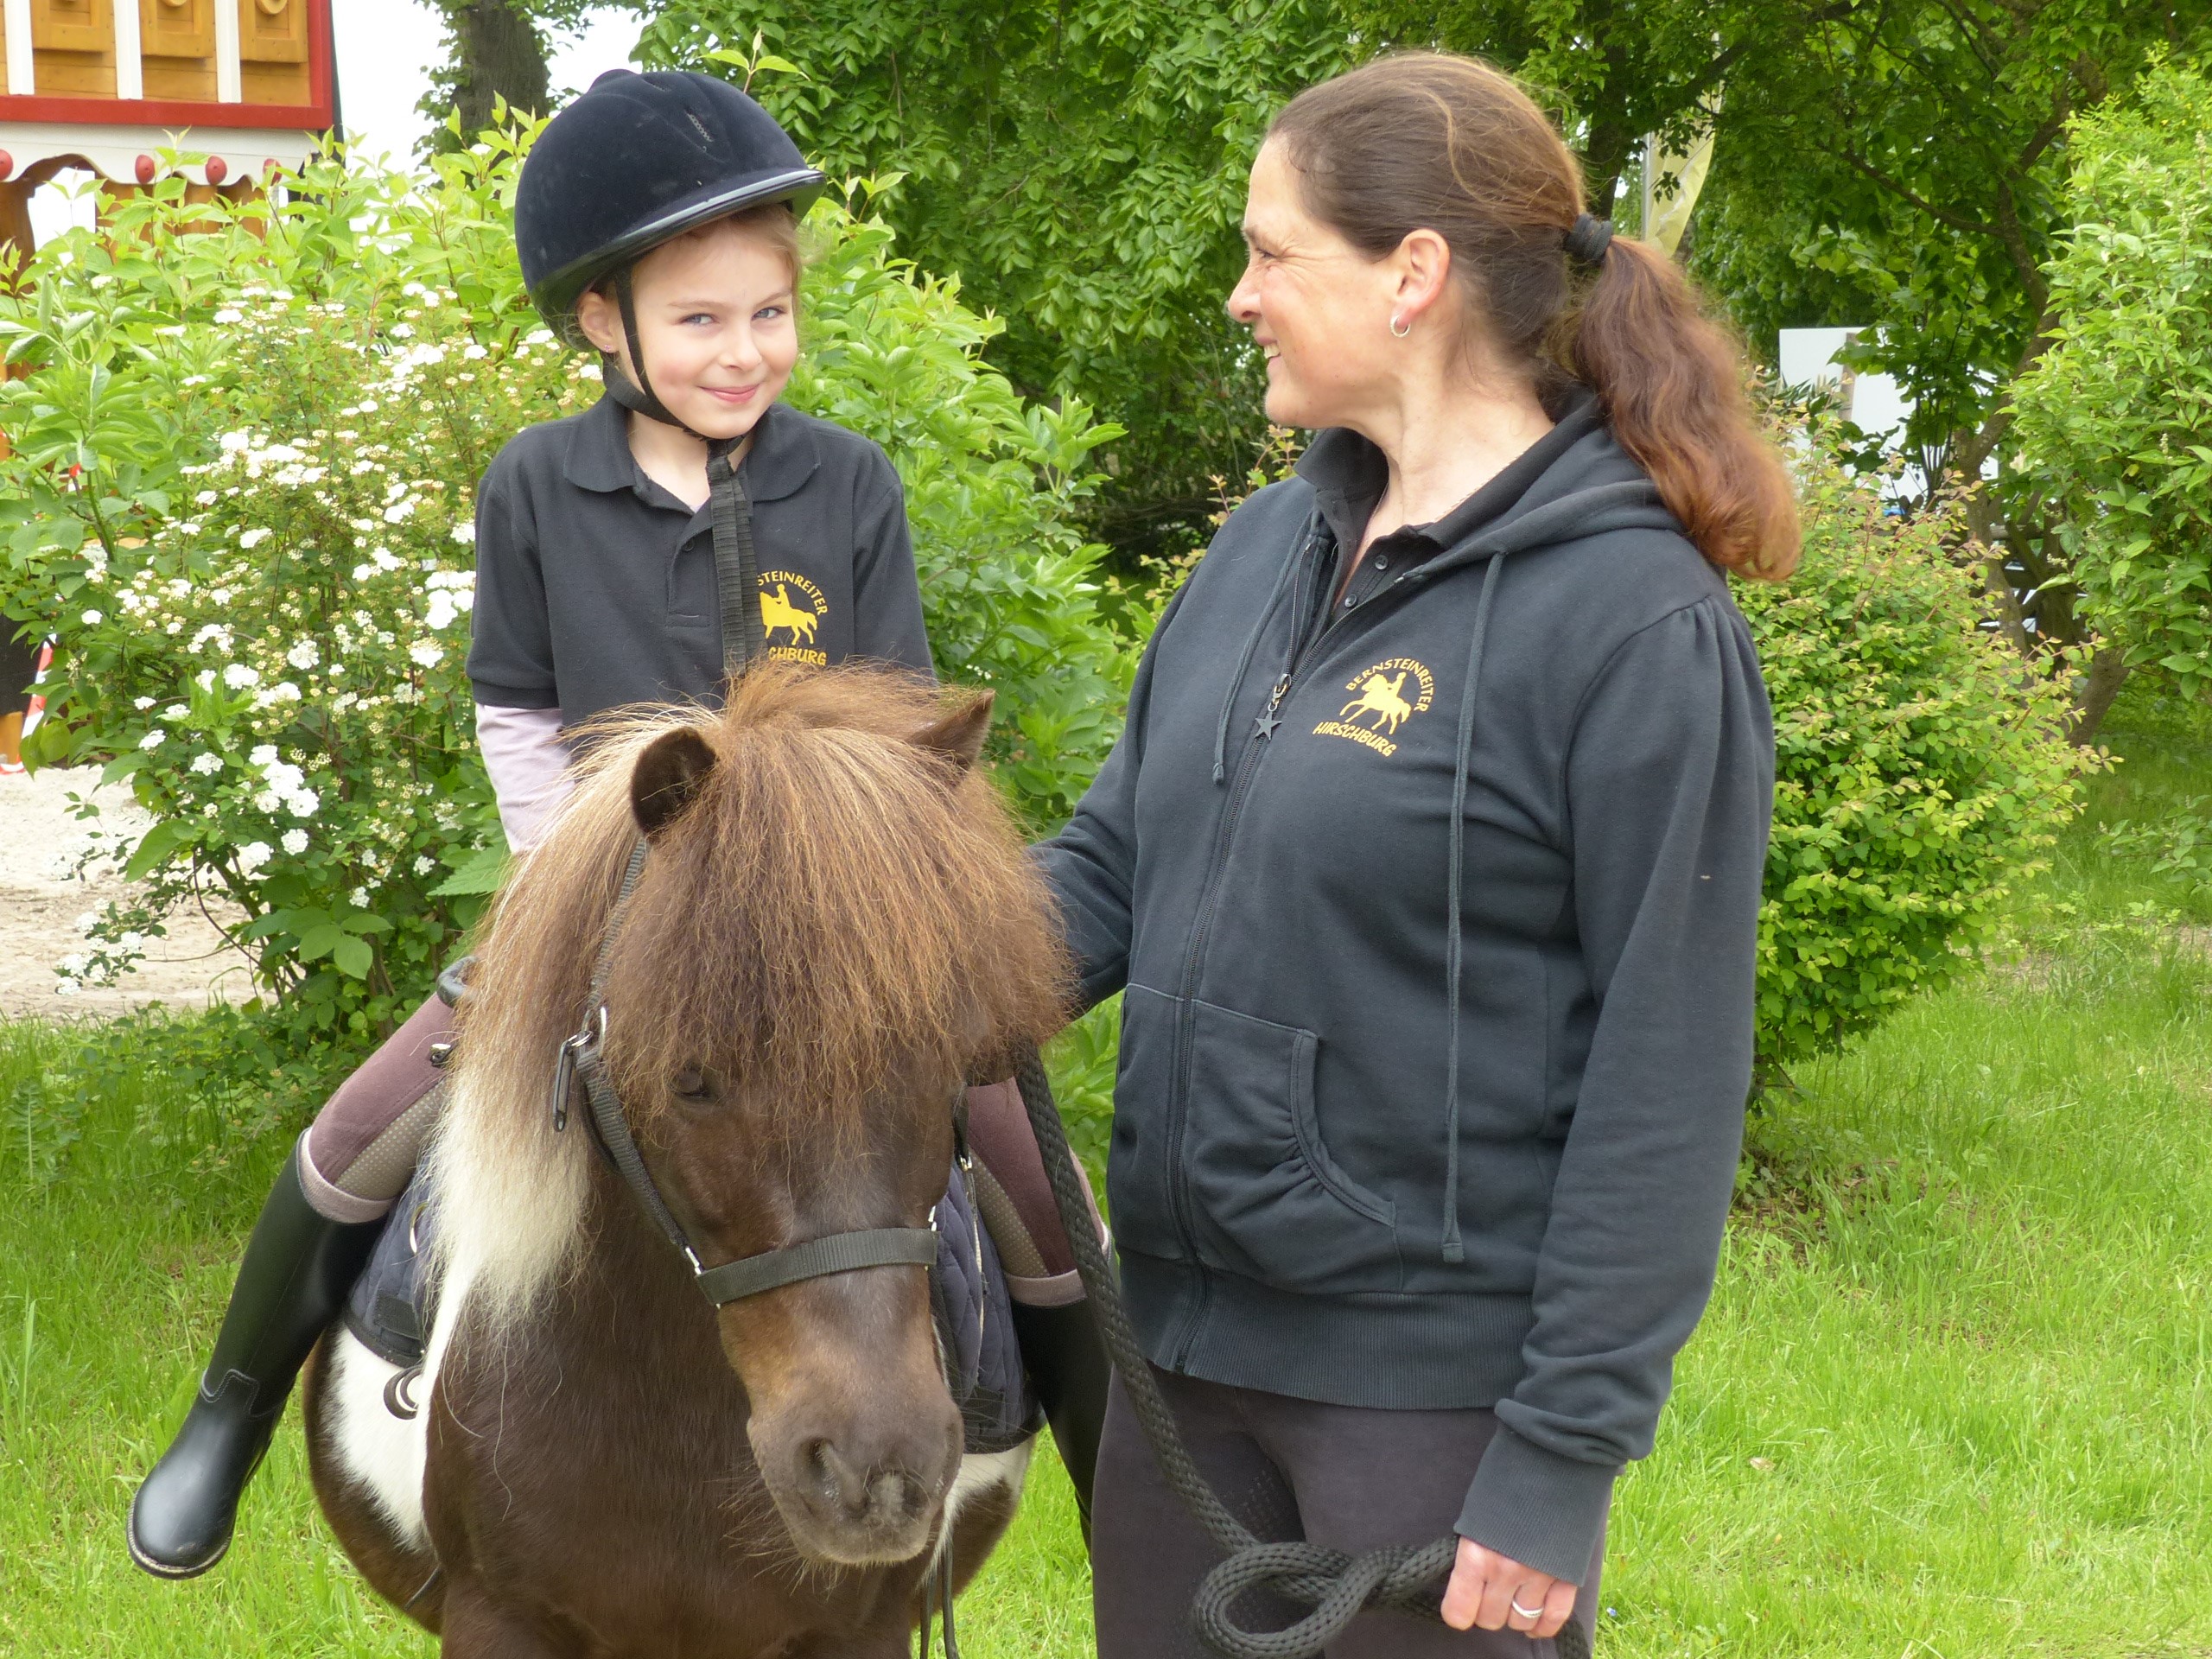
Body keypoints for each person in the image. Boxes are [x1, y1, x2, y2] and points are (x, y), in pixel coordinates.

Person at [128, 68, 1105, 1580]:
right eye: (701, 321)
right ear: (605, 324)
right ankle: (230, 1415)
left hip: (823, 932)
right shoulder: (538, 484)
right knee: (355, 1139)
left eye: (768, 315)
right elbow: (515, 704)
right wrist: (571, 884)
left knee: (1032, 1178)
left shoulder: (850, 483)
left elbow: (899, 723)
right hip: (593, 904)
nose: (744, 351)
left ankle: (1122, 1483)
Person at [1039, 51, 1797, 1656]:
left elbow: (1668, 1076)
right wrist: (864, 977)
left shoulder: (1637, 624)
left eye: (1268, 251)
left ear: (1414, 275)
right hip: (1174, 1378)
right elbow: (1115, 865)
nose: (1240, 295)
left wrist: (1559, 1462)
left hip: (1427, 1420)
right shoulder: (1263, 548)